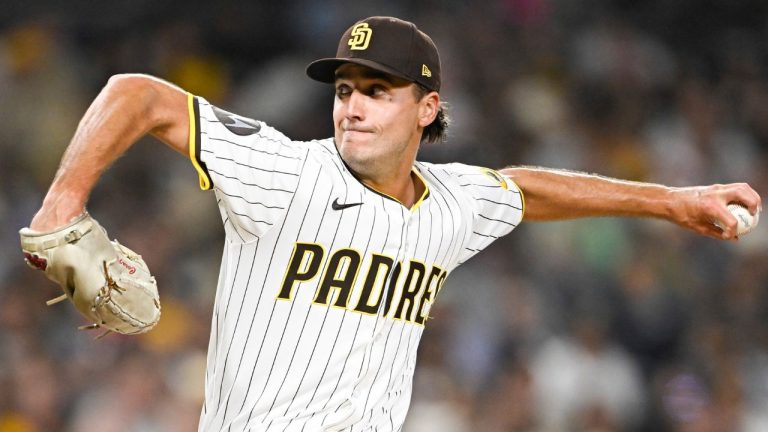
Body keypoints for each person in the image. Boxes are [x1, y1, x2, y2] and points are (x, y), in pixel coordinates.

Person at [25, 16, 760, 432]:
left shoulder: (449, 203)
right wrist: (64, 202)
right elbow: (137, 94)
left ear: (427, 108)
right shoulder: (284, 172)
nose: (353, 105)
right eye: (346, 89)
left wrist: (670, 201)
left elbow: (526, 190)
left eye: (378, 91)